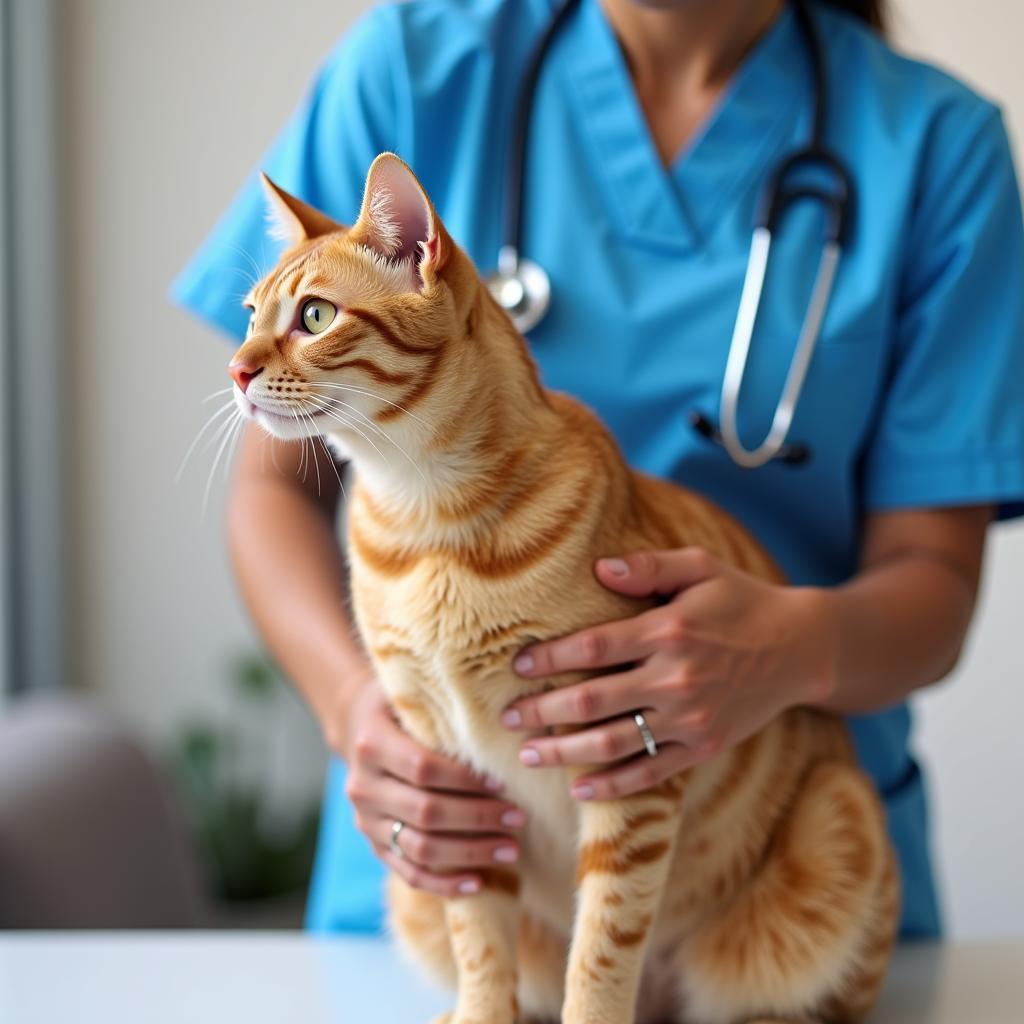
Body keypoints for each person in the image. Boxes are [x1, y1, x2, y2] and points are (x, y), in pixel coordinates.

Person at [173, 0, 1024, 940]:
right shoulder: (419, 67)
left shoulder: (937, 148)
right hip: (462, 858)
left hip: (762, 868)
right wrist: (356, 709)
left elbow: (935, 582)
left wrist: (792, 649)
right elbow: (272, 486)